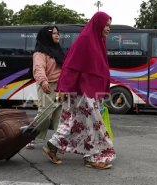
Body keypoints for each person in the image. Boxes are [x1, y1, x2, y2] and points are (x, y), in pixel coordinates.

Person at [42, 11, 116, 169]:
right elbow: (70, 66)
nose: (108, 29)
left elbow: (99, 70)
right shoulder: (85, 40)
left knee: (73, 122)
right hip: (82, 92)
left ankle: (52, 147)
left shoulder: (98, 41)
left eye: (110, 26)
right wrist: (62, 88)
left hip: (87, 91)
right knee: (93, 124)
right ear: (98, 24)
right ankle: (92, 157)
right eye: (106, 25)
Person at [26, 26, 64, 149]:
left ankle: (58, 143)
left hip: (61, 88)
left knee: (61, 116)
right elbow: (38, 68)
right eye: (53, 33)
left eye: (57, 33)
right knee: (45, 115)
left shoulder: (58, 50)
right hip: (48, 86)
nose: (57, 35)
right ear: (46, 36)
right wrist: (43, 82)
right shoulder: (40, 53)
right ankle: (31, 135)